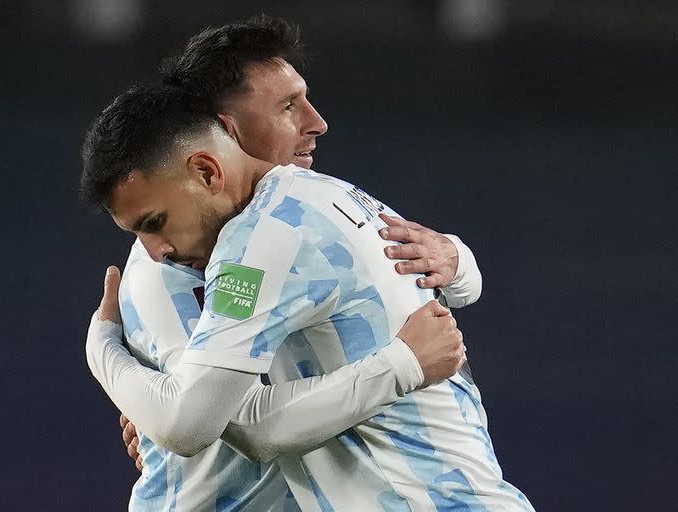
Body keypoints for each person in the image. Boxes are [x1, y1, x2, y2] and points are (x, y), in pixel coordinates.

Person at [80, 83, 533, 509]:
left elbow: (197, 421)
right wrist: (148, 405)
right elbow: (194, 422)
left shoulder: (271, 229)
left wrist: (103, 351)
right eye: (286, 106)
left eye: (155, 223)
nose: (315, 123)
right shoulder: (191, 261)